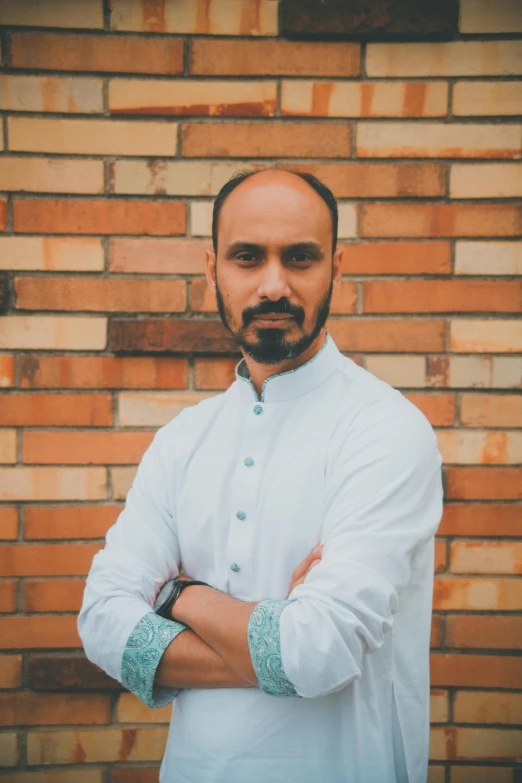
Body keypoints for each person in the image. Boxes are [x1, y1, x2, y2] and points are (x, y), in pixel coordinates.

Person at [78, 167, 443, 783]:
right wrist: (276, 630)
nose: (274, 284)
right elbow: (100, 621)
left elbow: (319, 649)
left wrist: (178, 597)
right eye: (247, 257)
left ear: (337, 268)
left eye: (300, 258)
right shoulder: (183, 441)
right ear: (211, 269)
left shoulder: (385, 430)